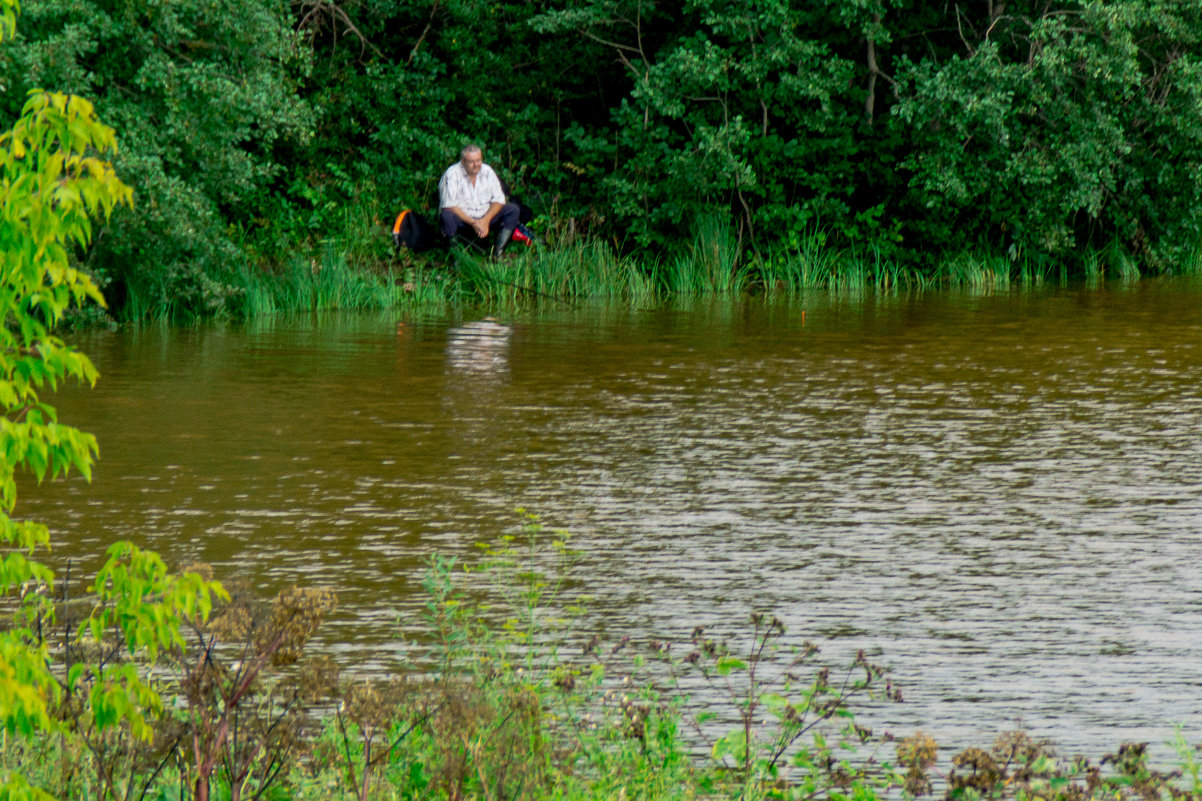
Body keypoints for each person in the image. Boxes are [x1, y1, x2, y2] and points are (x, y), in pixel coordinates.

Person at [438, 145, 521, 259]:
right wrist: (473, 223)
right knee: (447, 216)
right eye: (471, 162)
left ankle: (497, 253)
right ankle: (457, 257)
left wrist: (486, 220)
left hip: (485, 218)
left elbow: (499, 200)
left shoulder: (487, 171)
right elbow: (449, 205)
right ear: (463, 161)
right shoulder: (452, 174)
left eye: (478, 160)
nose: (476, 165)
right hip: (464, 220)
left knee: (513, 209)